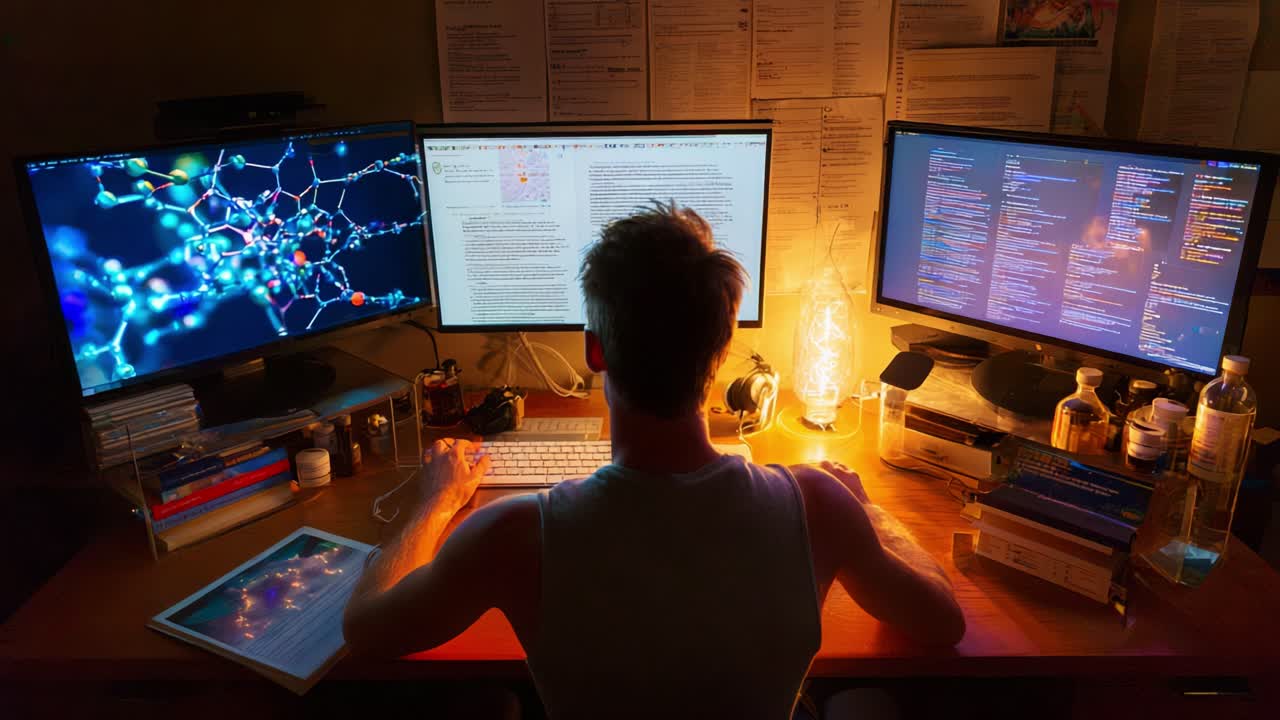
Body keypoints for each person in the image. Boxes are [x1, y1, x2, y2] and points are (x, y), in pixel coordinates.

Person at [343, 203, 965, 718]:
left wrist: (437, 499)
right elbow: (942, 624)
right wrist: (872, 512)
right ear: (721, 352)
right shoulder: (818, 506)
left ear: (595, 352)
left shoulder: (513, 535)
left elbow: (367, 631)